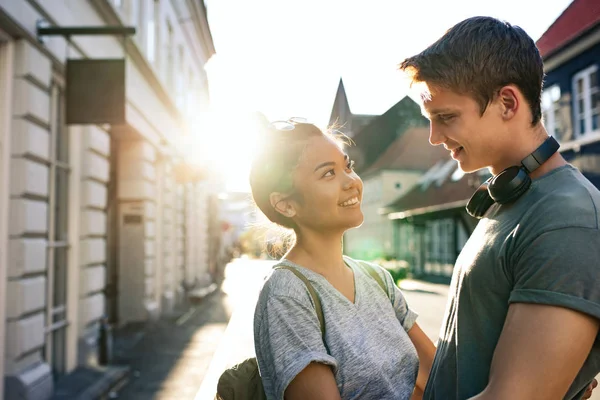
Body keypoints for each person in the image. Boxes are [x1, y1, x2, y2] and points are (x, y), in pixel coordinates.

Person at [399, 16, 600, 400]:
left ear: (507, 102)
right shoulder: (511, 200)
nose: (434, 137)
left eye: (446, 118)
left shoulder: (565, 220)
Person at [249, 119, 436, 400]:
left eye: (347, 166)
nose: (351, 182)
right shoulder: (287, 294)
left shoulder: (377, 279)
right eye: (328, 174)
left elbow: (440, 375)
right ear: (286, 204)